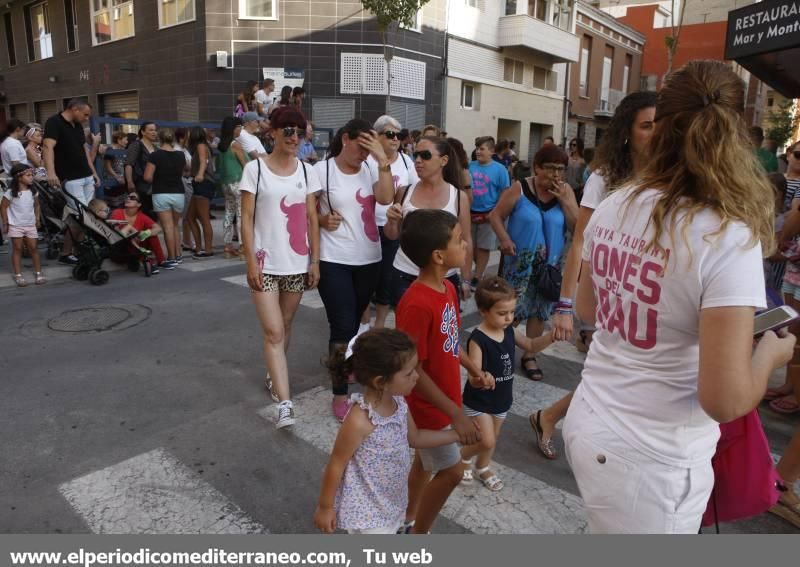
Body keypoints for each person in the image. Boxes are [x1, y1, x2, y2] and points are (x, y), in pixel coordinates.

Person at [563, 60, 796, 534]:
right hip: (653, 461)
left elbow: (589, 309)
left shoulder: (616, 202)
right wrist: (771, 353)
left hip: (591, 421)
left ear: (663, 128)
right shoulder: (726, 236)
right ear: (737, 138)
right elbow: (725, 400)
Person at [533, 91, 657, 459]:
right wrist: (565, 304)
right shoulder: (604, 178)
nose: (657, 133)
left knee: (620, 374)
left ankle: (551, 416)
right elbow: (580, 243)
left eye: (662, 125)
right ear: (626, 132)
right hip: (606, 290)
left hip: (646, 292)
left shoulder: (670, 176)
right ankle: (561, 422)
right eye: (647, 125)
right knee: (615, 372)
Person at [313, 328, 460, 534]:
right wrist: (325, 507)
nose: (417, 377)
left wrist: (455, 434)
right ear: (380, 381)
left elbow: (415, 438)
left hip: (392, 500)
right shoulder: (359, 420)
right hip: (368, 512)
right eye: (409, 373)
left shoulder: (399, 402)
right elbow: (336, 464)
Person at [395, 208, 485, 535]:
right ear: (438, 255)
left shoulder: (446, 289)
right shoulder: (417, 303)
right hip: (429, 408)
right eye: (459, 241)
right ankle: (418, 533)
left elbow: (449, 342)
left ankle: (407, 516)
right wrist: (455, 415)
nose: (465, 246)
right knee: (451, 473)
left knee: (424, 463)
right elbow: (412, 369)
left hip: (446, 398)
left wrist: (473, 369)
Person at [240, 106, 322, 429]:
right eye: (287, 130)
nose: (293, 137)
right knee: (273, 331)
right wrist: (249, 261)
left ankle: (275, 378)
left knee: (286, 324)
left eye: (299, 132)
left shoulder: (306, 171)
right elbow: (246, 219)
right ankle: (286, 404)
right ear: (272, 133)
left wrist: (315, 260)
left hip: (296, 264)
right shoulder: (255, 170)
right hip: (265, 264)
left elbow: (313, 218)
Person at [313, 118, 395, 421]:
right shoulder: (321, 170)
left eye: (368, 148)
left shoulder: (373, 168)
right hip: (333, 258)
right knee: (342, 325)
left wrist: (382, 159)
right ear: (345, 139)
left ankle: (345, 365)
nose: (364, 154)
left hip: (369, 258)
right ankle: (339, 392)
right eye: (361, 146)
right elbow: (306, 212)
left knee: (355, 324)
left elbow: (386, 199)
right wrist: (321, 221)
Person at [488, 145, 578, 381]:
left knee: (539, 313)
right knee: (511, 312)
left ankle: (530, 355)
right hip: (519, 264)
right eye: (550, 169)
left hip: (549, 267)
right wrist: (504, 239)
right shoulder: (520, 188)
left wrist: (567, 202)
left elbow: (578, 229)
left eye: (561, 169)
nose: (556, 175)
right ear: (538, 168)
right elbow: (495, 216)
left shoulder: (565, 192)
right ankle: (500, 351)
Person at [459, 277, 553, 491]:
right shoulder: (478, 339)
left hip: (501, 398)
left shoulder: (509, 330)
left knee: (493, 437)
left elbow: (530, 344)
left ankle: (482, 467)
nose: (508, 318)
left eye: (511, 312)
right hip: (480, 400)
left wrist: (551, 337)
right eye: (502, 313)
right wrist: (482, 377)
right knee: (487, 439)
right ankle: (463, 458)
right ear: (483, 311)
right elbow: (473, 373)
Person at [384, 137, 474, 308]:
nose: (418, 160)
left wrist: (466, 279)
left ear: (444, 160)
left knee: (443, 331)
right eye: (416, 155)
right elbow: (392, 235)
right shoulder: (404, 192)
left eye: (425, 155)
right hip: (405, 274)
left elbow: (466, 239)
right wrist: (392, 221)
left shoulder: (458, 197)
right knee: (407, 332)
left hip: (445, 277)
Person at [361, 115, 419, 330]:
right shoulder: (366, 159)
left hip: (392, 227)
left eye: (400, 135)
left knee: (386, 279)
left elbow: (414, 190)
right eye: (390, 134)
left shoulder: (406, 162)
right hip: (365, 226)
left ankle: (380, 326)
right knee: (365, 279)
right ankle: (363, 324)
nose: (396, 139)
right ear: (376, 136)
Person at [43, 98, 100, 265]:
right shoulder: (54, 122)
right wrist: (51, 172)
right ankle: (67, 252)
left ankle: (75, 251)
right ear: (74, 109)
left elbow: (84, 150)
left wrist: (94, 172)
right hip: (70, 178)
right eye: (85, 114)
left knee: (86, 216)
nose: (87, 118)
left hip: (86, 176)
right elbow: (48, 147)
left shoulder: (78, 125)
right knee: (80, 216)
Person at [771, 140, 800, 414]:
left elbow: (794, 219)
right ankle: (791, 386)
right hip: (795, 266)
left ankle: (796, 392)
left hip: (795, 261)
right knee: (794, 328)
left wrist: (785, 239)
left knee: (798, 332)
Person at [469, 136, 511, 289]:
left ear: (492, 151)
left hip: (489, 214)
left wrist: (495, 212)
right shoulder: (470, 166)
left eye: (482, 149)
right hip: (470, 213)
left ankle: (477, 277)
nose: (478, 151)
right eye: (477, 148)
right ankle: (479, 269)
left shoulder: (500, 170)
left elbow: (505, 192)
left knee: (483, 247)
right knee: (471, 246)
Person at [143, 128, 186, 269]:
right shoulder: (181, 154)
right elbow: (184, 171)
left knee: (167, 227)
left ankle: (171, 258)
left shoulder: (155, 155)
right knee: (175, 225)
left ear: (159, 139)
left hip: (161, 193)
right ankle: (178, 255)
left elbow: (147, 177)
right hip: (179, 193)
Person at [1, 164, 45, 286]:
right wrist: (5, 222)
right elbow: (3, 207)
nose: (31, 178)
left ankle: (38, 272)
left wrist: (37, 218)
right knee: (17, 249)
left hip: (30, 224)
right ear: (19, 177)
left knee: (34, 248)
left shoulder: (33, 192)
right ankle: (18, 275)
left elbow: (36, 205)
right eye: (28, 175)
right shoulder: (10, 193)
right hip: (16, 225)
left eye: (32, 175)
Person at [217, 117, 249, 259]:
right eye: (240, 127)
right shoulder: (235, 144)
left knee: (229, 213)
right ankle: (243, 248)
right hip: (238, 182)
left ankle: (227, 247)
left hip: (226, 183)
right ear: (234, 128)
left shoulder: (221, 145)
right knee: (242, 215)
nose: (241, 130)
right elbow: (246, 164)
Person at [109, 193, 166, 272]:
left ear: (139, 204)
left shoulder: (142, 216)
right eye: (127, 197)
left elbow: (158, 228)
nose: (128, 198)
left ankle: (161, 261)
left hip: (136, 248)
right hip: (121, 248)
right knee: (126, 230)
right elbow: (119, 229)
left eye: (132, 197)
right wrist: (135, 234)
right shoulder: (117, 212)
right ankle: (148, 262)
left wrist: (145, 233)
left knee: (152, 235)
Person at [186, 127, 215, 259]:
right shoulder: (201, 146)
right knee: (190, 217)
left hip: (203, 183)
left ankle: (207, 249)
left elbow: (203, 161)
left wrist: (199, 174)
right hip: (199, 183)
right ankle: (198, 248)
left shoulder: (201, 146)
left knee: (204, 218)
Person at [125, 121, 158, 217]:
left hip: (154, 186)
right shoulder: (136, 145)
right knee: (142, 213)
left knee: (153, 215)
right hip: (140, 185)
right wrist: (130, 182)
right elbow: (128, 164)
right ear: (143, 132)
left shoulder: (155, 147)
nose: (154, 132)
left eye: (155, 130)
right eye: (151, 130)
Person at [101, 131, 129, 206]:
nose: (127, 142)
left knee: (122, 202)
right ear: (119, 140)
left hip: (121, 180)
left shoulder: (123, 150)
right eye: (125, 139)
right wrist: (117, 176)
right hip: (112, 180)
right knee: (113, 203)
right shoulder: (110, 149)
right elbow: (107, 166)